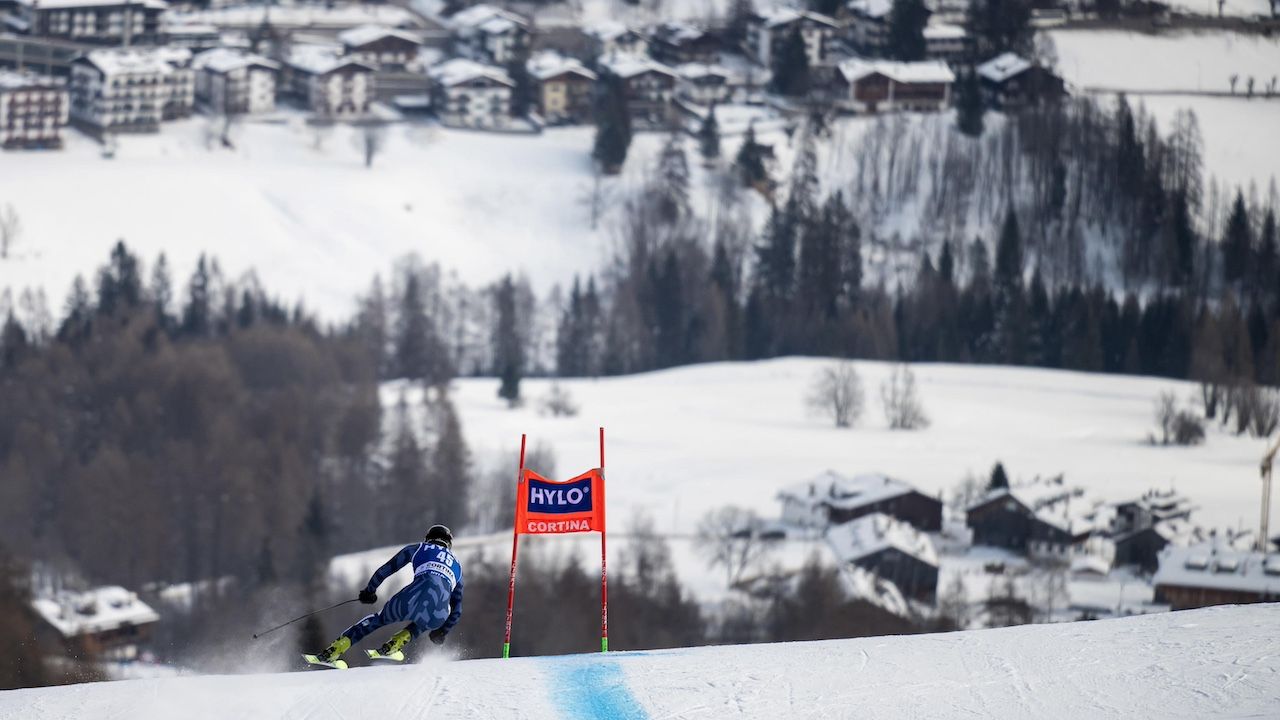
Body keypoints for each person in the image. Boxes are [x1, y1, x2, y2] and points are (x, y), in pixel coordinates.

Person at [315, 524, 464, 663]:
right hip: (439, 615)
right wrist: (442, 631)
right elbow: (457, 609)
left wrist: (370, 591)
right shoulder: (458, 567)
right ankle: (393, 645)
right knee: (422, 622)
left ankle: (333, 651)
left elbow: (386, 570)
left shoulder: (419, 548)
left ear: (428, 538)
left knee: (378, 620)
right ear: (448, 543)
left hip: (410, 599)